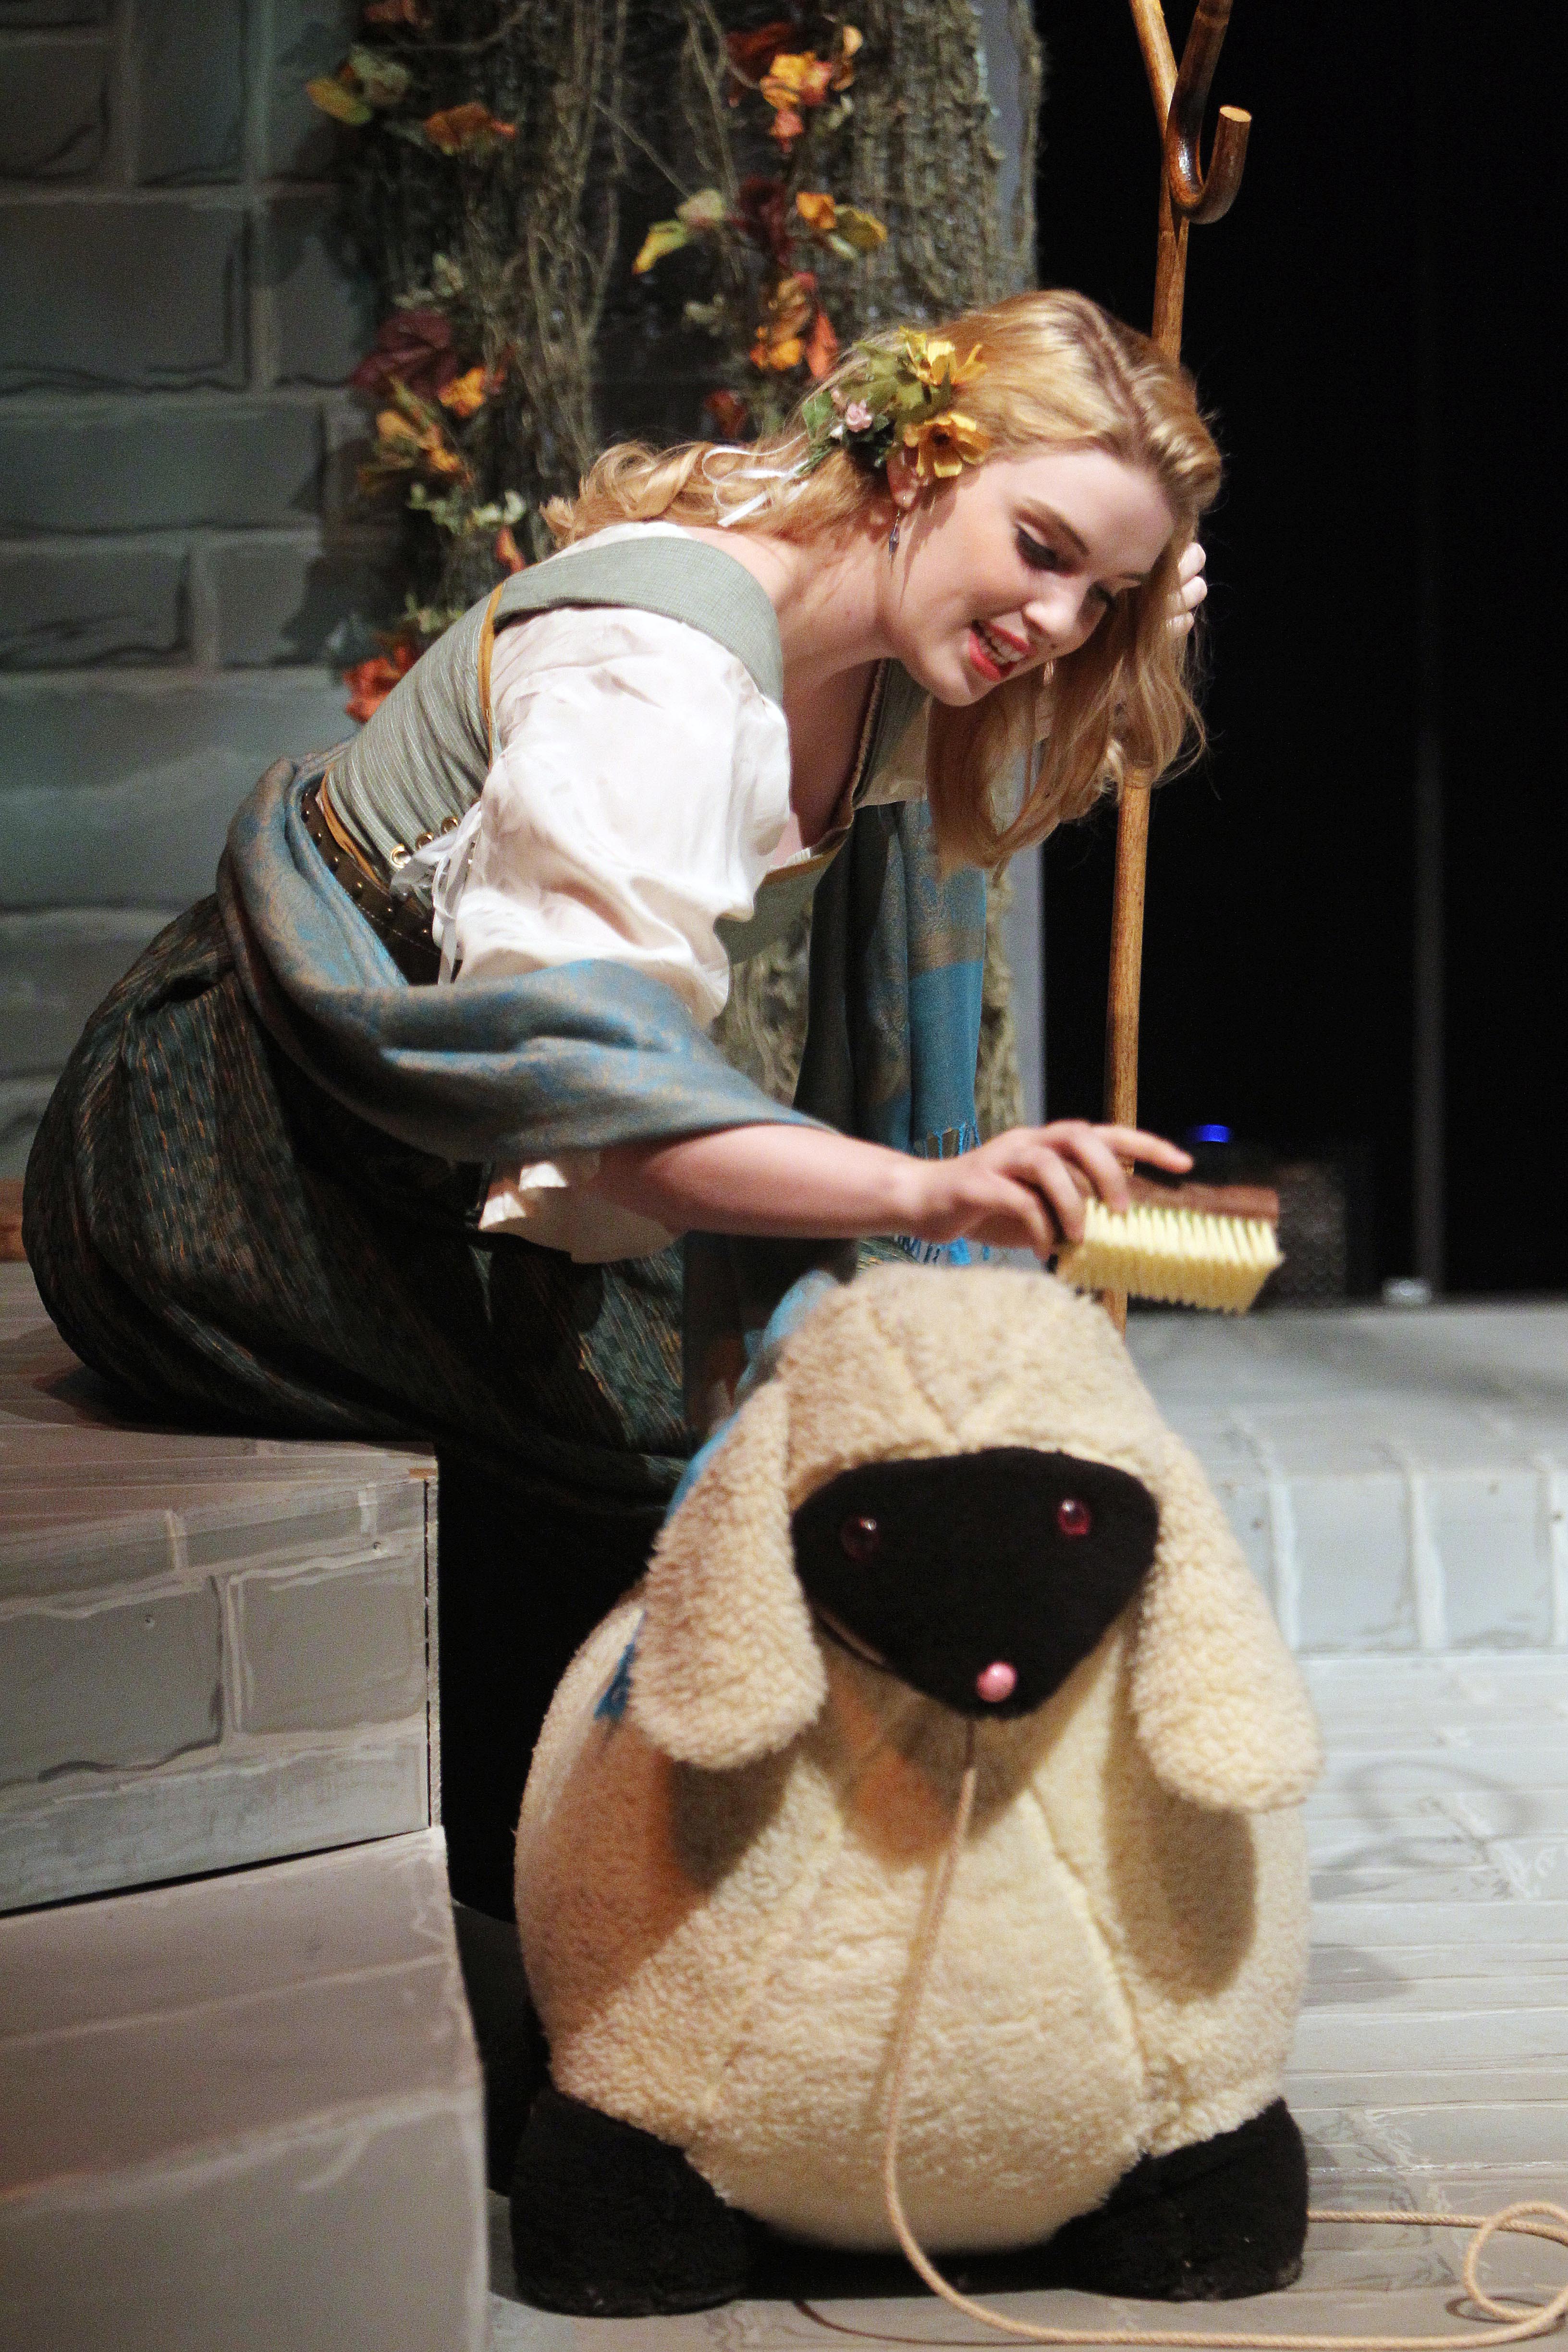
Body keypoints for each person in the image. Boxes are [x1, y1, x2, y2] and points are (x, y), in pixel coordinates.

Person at [23, 288, 1220, 1913]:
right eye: (1042, 548)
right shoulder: (656, 674)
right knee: (688, 1493)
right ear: (917, 464)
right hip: (215, 1156)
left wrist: (1140, 597)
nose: (1061, 623)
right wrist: (928, 1190)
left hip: (440, 1178)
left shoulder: (873, 664)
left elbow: (1047, 735)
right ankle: (569, 1947)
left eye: (1106, 595)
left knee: (808, 1430)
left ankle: (701, 1931)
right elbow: (595, 1108)